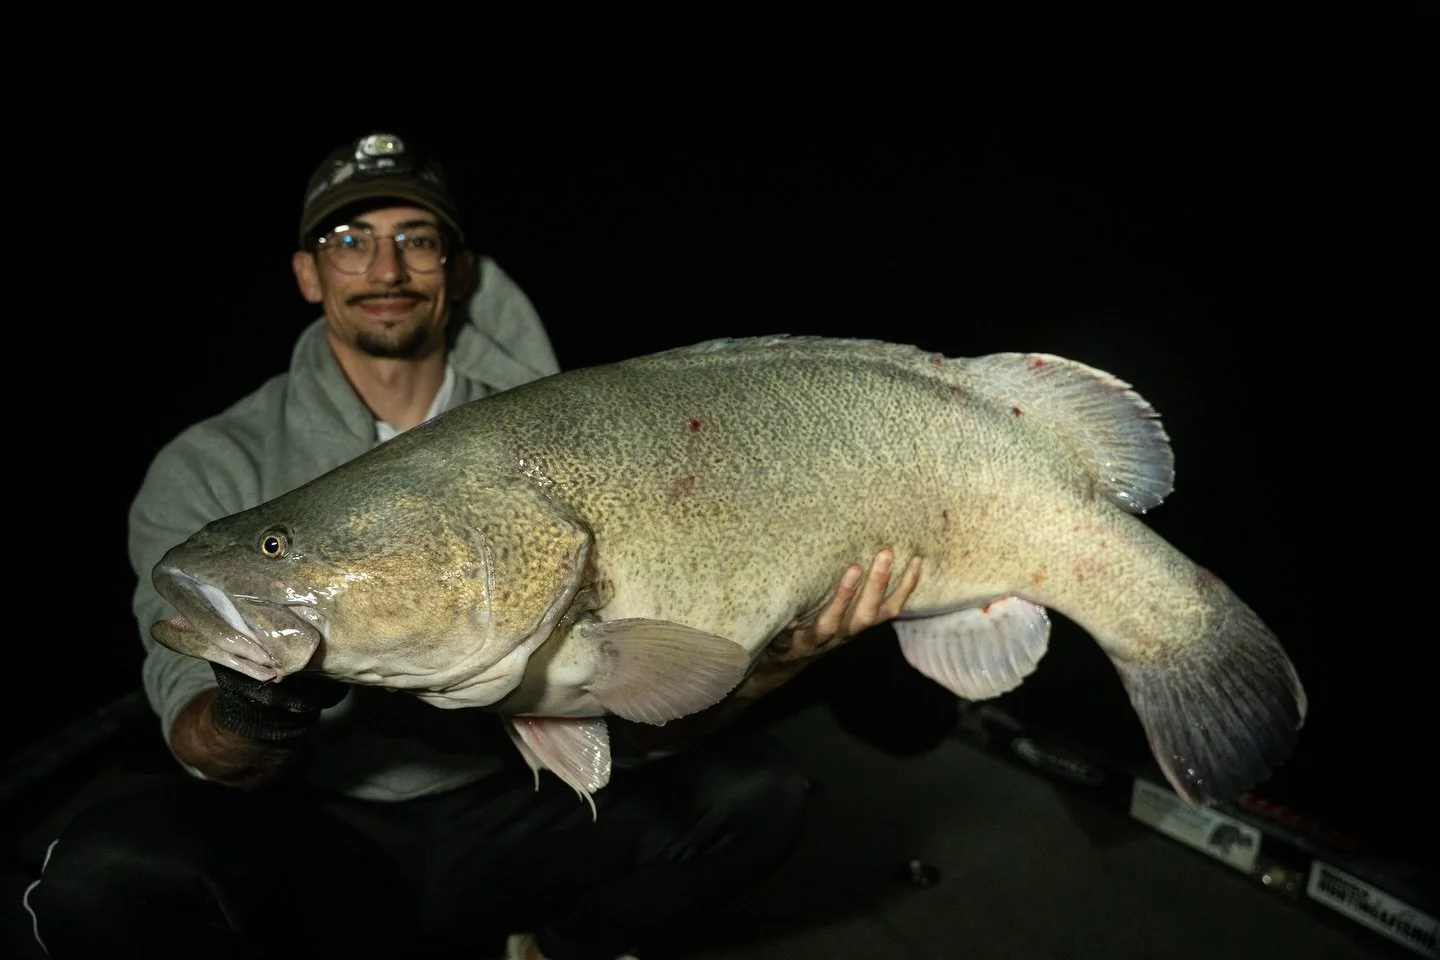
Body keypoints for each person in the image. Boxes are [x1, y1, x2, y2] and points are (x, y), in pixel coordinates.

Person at [22, 131, 921, 960]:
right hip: (332, 823)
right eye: (349, 241)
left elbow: (653, 722)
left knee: (756, 794)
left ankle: (549, 947)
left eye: (416, 239)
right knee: (97, 876)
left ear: (454, 269)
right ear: (306, 273)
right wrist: (260, 711)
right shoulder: (210, 466)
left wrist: (777, 662)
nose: (386, 267)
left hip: (515, 810)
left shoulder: (566, 430)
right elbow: (199, 747)